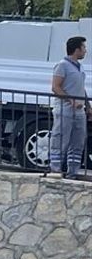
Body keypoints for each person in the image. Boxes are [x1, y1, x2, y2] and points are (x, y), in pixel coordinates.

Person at [49, 35, 89, 179]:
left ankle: (73, 172)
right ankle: (55, 170)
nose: (85, 51)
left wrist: (88, 106)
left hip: (79, 111)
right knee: (60, 140)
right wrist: (71, 100)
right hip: (65, 110)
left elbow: (81, 88)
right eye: (83, 47)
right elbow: (55, 87)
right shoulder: (62, 65)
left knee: (77, 142)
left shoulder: (79, 67)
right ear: (76, 49)